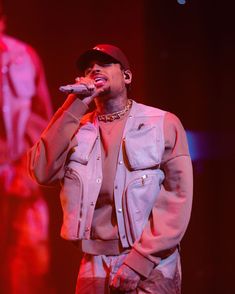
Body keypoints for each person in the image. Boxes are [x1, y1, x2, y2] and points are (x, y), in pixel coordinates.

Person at [28, 43, 193, 294]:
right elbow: (40, 170)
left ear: (126, 76)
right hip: (94, 262)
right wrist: (74, 105)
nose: (94, 69)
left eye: (104, 64)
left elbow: (177, 196)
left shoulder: (162, 123)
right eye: (88, 68)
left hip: (153, 261)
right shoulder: (76, 127)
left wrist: (139, 262)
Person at [0, 6, 53, 294]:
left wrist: (28, 171)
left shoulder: (24, 58)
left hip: (19, 181)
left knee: (26, 269)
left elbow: (41, 120)